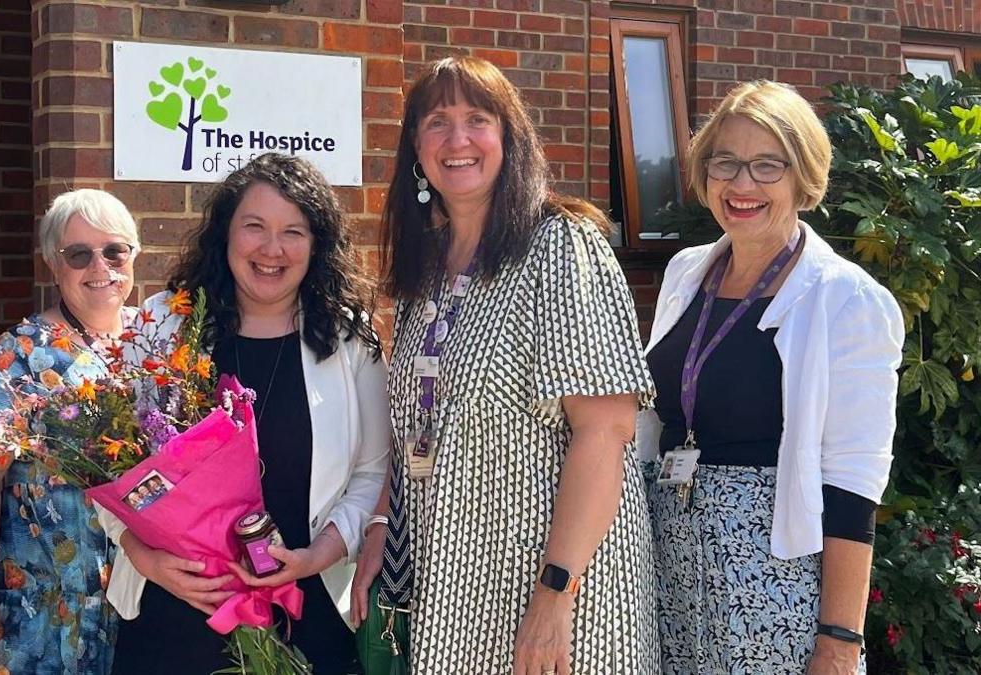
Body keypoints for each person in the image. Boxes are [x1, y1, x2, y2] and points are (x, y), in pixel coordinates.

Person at [352, 56, 659, 674]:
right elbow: (419, 425)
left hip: (560, 593)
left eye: (477, 120)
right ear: (416, 146)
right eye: (438, 122)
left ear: (508, 137)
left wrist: (555, 594)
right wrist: (385, 527)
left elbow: (606, 431)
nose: (457, 139)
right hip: (454, 590)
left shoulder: (561, 246)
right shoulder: (428, 266)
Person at [638, 80, 904, 674]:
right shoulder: (687, 274)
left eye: (766, 166)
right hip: (668, 564)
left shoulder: (848, 299)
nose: (741, 185)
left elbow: (853, 482)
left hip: (776, 583)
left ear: (803, 177)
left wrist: (838, 641)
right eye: (725, 162)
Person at [101, 153, 389, 674]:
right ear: (225, 233)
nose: (271, 249)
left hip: (305, 611)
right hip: (178, 608)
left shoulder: (349, 338)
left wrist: (318, 555)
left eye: (293, 231)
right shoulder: (163, 324)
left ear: (316, 243)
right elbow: (108, 464)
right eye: (253, 226)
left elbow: (373, 472)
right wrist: (143, 557)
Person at [0, 189, 142, 674]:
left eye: (114, 251)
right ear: (52, 265)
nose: (100, 267)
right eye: (78, 254)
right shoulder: (10, 360)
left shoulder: (156, 347)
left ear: (134, 256)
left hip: (142, 602)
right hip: (43, 611)